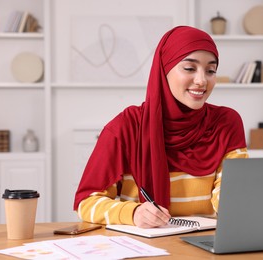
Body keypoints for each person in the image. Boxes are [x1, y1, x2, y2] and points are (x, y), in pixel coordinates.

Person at [74, 25, 248, 228]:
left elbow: (233, 200)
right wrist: (133, 213)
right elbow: (86, 203)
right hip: (144, 250)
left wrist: (244, 199)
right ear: (164, 69)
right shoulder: (125, 127)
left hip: (205, 247)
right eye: (190, 68)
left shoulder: (226, 122)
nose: (202, 80)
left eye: (211, 70)